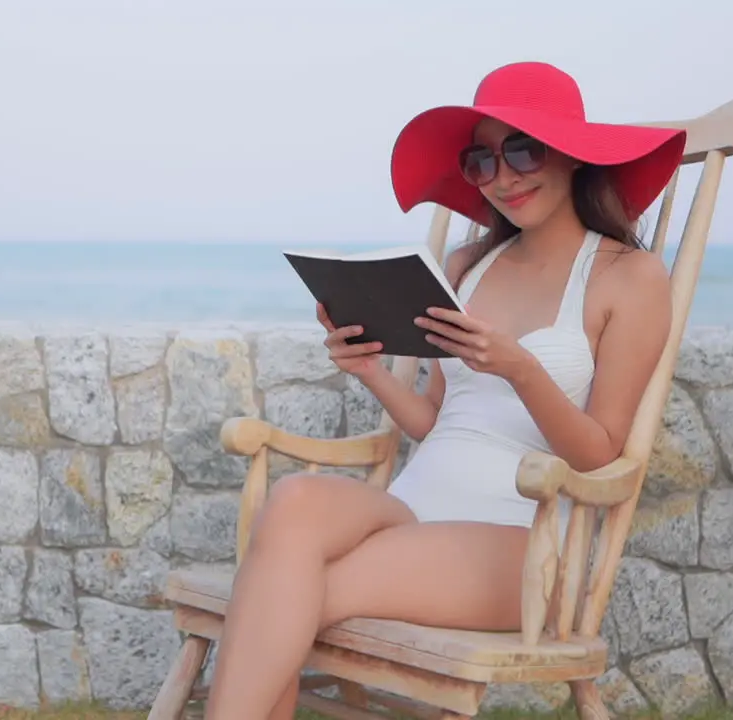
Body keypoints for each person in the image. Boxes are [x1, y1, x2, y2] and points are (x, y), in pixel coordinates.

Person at [204, 61, 686, 720]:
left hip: (519, 543)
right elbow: (436, 422)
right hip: (411, 511)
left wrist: (521, 369)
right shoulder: (467, 266)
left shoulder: (629, 278)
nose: (504, 177)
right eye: (481, 160)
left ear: (574, 156)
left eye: (522, 149)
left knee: (283, 590)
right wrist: (369, 368)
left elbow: (602, 459)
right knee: (293, 501)